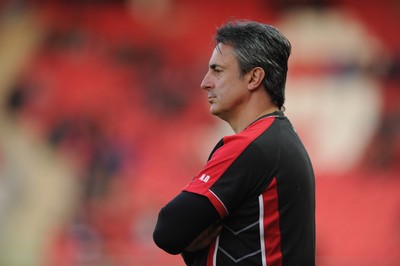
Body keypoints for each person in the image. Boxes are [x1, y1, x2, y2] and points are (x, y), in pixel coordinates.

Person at [153, 20, 315, 266]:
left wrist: (188, 240)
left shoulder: (252, 146)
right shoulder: (280, 139)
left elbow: (167, 230)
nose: (205, 82)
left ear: (253, 78)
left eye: (217, 71)